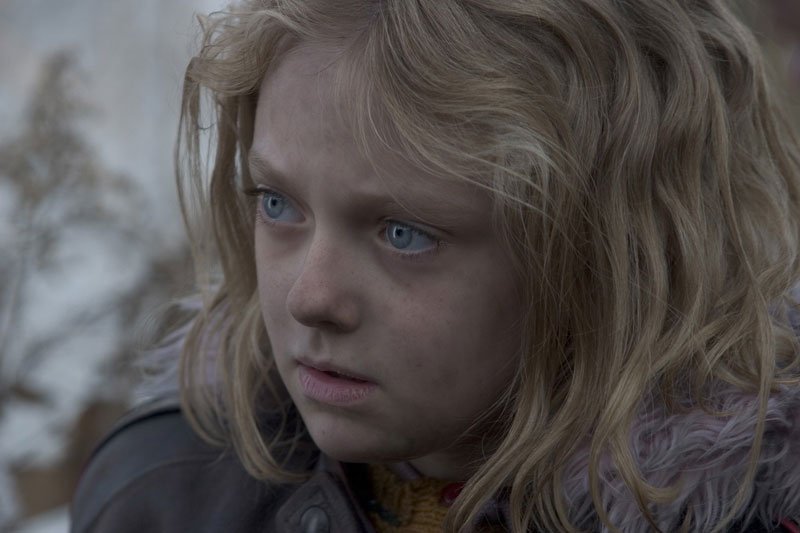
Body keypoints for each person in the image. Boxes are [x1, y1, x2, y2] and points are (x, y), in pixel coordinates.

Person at [70, 0, 800, 531]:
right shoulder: (164, 492)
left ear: (613, 256)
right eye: (278, 204)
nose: (309, 297)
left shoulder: (752, 511)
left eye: (404, 233)